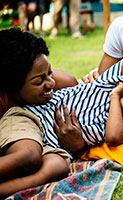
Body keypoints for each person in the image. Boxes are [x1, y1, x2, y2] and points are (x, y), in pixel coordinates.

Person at [24, 47, 123, 158]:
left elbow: (113, 138)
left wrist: (115, 97)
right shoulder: (109, 83)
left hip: (44, 143)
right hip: (34, 110)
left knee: (51, 165)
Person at [0, 28, 75, 198]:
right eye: (39, 80)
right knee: (29, 156)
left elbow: (70, 83)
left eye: (49, 72)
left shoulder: (56, 82)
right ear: (11, 86)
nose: (51, 83)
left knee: (56, 165)